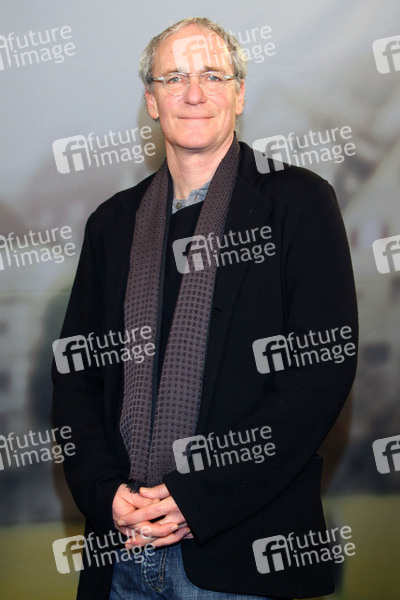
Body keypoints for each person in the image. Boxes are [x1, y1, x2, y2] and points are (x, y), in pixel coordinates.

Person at [52, 16, 358, 600]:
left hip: (243, 556)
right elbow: (77, 376)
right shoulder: (111, 225)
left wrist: (199, 499)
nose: (194, 93)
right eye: (174, 77)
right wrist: (103, 491)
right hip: (120, 554)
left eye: (213, 75)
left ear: (239, 94)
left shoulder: (299, 203)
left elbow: (318, 375)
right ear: (151, 100)